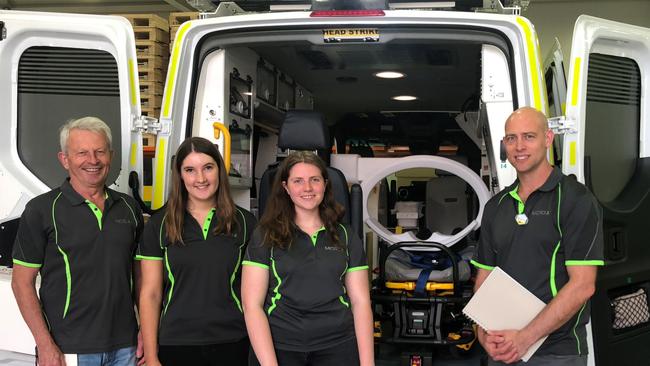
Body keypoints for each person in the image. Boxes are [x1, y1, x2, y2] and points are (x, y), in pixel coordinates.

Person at [471, 107, 604, 365]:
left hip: (557, 352)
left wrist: (525, 338)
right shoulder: (496, 206)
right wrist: (483, 331)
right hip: (503, 348)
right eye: (511, 138)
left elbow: (583, 285)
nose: (519, 146)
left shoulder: (576, 200)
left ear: (548, 139)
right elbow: (485, 275)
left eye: (529, 136)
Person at [11, 116, 144, 366]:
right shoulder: (41, 210)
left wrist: (146, 332)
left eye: (99, 152)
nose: (92, 160)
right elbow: (21, 284)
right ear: (65, 159)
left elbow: (141, 278)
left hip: (126, 346)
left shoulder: (128, 208)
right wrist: (45, 345)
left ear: (111, 156)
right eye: (82, 153)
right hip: (68, 348)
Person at [242, 151, 374, 366]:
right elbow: (251, 306)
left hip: (338, 345)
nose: (307, 188)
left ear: (325, 184)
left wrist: (368, 363)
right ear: (285, 187)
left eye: (315, 180)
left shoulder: (345, 235)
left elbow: (361, 303)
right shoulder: (265, 234)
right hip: (280, 346)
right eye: (298, 181)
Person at [137, 136, 256, 366]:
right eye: (190, 170)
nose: (200, 178)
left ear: (219, 171)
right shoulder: (159, 225)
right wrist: (151, 356)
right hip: (176, 344)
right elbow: (150, 294)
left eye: (208, 168)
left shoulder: (245, 223)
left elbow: (256, 294)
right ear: (180, 175)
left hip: (233, 341)